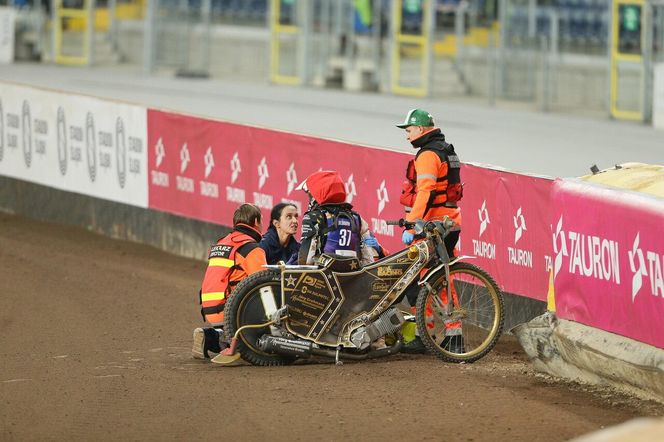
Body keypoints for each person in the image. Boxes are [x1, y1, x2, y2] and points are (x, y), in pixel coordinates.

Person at [396, 108, 465, 354]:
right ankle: (454, 336)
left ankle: (422, 336)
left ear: (422, 130)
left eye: (409, 130)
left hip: (433, 225)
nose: (407, 135)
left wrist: (413, 222)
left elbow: (425, 191)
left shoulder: (426, 155)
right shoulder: (446, 150)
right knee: (443, 279)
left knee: (416, 277)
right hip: (450, 222)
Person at [192, 203, 267, 360]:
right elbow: (263, 285)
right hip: (228, 311)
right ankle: (217, 338)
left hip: (209, 309)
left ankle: (213, 335)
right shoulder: (251, 248)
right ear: (255, 221)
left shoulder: (222, 243)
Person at [296, 170, 385, 266]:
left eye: (310, 196)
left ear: (315, 196)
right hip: (352, 275)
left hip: (323, 276)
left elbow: (305, 260)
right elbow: (368, 259)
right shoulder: (356, 218)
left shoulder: (313, 217)